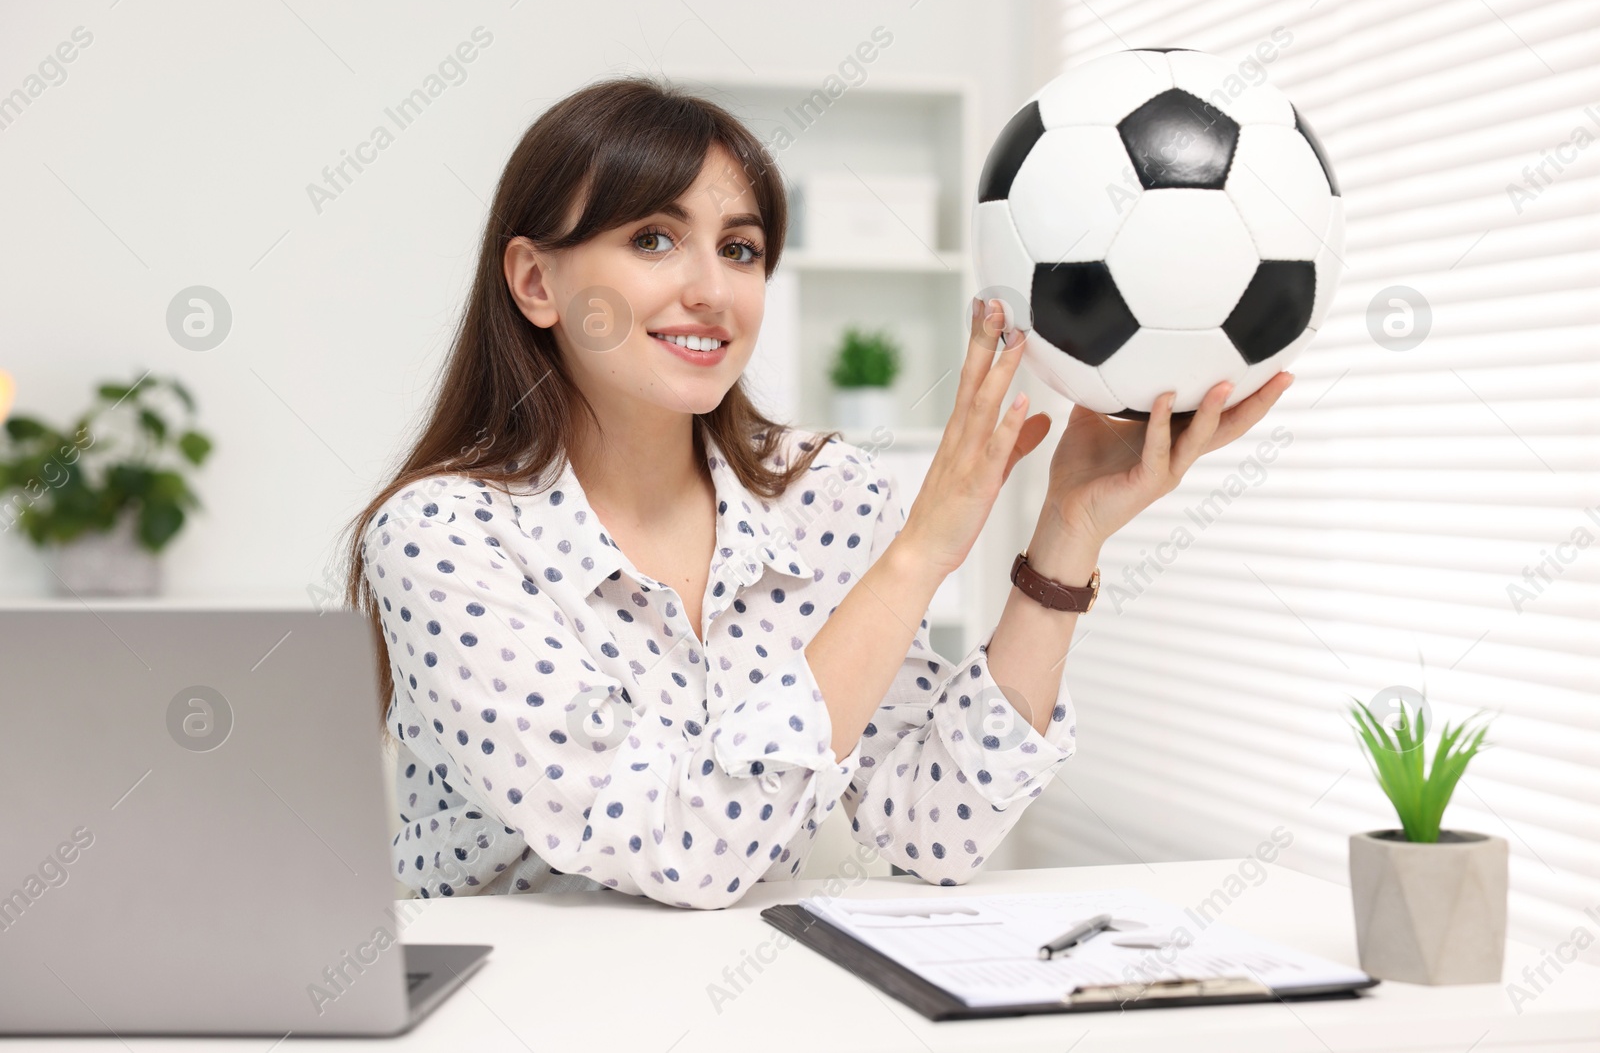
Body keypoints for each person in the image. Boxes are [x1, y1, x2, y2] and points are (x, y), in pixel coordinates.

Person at [342, 75, 1293, 909]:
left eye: (742, 249)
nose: (712, 290)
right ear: (535, 280)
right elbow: (683, 845)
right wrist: (919, 555)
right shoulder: (441, 537)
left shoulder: (825, 495)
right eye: (655, 238)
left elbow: (934, 827)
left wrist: (1066, 536)